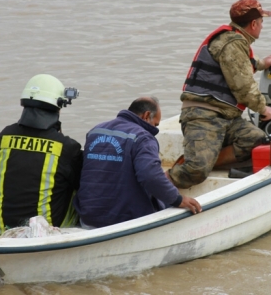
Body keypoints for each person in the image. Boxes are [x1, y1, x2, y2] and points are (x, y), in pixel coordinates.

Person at [167, 0, 271, 189]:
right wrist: (264, 109)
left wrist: (262, 64)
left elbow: (240, 66)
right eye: (261, 22)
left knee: (256, 139)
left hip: (227, 117)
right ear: (253, 24)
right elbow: (244, 88)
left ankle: (207, 156)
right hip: (203, 116)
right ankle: (154, 186)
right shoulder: (232, 45)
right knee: (196, 170)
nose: (262, 26)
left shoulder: (235, 40)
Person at [73, 97, 201, 228]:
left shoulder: (95, 131)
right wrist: (178, 199)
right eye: (155, 125)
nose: (155, 130)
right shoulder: (143, 137)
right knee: (165, 199)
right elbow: (151, 176)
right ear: (146, 116)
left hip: (88, 218)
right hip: (124, 221)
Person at [0, 74, 83, 236]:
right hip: (46, 234)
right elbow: (83, 186)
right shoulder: (66, 147)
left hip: (0, 230)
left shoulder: (4, 137)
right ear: (58, 105)